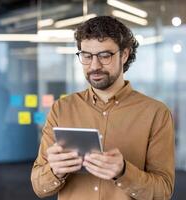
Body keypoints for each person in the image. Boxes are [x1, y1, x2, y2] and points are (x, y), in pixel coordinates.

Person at [31, 16, 174, 200]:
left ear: (124, 55)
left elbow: (163, 192)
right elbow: (39, 187)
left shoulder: (156, 113)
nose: (94, 66)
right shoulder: (61, 108)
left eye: (105, 56)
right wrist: (55, 171)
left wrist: (123, 172)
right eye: (87, 56)